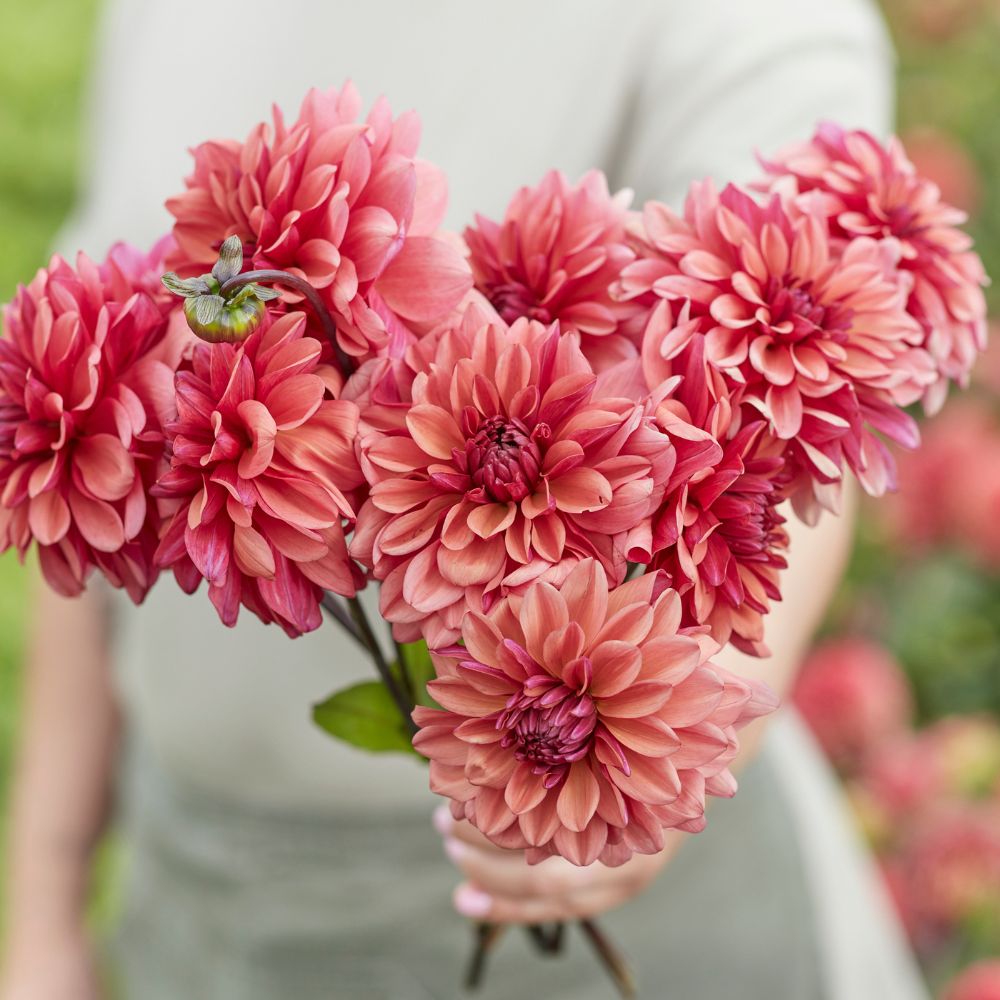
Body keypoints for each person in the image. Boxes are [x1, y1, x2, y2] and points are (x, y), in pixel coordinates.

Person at [0, 1, 931, 997]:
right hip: (205, 892)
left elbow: (783, 438)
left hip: (586, 913)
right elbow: (109, 411)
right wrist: (43, 909)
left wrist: (626, 764)